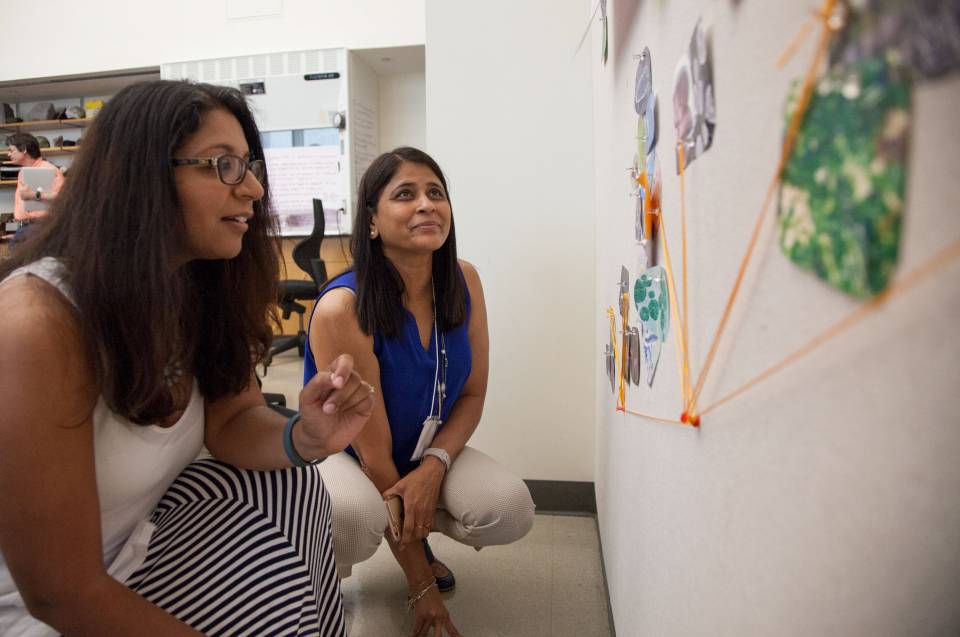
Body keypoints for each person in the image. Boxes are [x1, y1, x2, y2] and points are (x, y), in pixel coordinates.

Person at [0, 80, 374, 637]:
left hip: (135, 551)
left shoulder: (191, 287)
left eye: (248, 165)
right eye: (223, 165)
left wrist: (307, 436)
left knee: (291, 485)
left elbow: (231, 419)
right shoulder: (37, 322)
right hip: (42, 613)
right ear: (139, 177)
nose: (251, 188)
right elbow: (61, 595)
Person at [305, 147, 535, 637]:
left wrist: (434, 467)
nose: (427, 205)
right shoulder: (341, 308)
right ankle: (324, 570)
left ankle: (414, 534)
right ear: (371, 222)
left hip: (423, 446)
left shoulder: (464, 280)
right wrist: (422, 590)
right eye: (405, 194)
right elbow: (374, 456)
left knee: (508, 509)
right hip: (348, 453)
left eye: (436, 193)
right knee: (350, 519)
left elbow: (472, 396)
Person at [6, 132, 64, 245]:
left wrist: (32, 195)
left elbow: (61, 198)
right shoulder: (23, 171)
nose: (8, 154)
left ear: (23, 150)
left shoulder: (48, 169)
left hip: (40, 227)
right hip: (27, 228)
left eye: (11, 150)